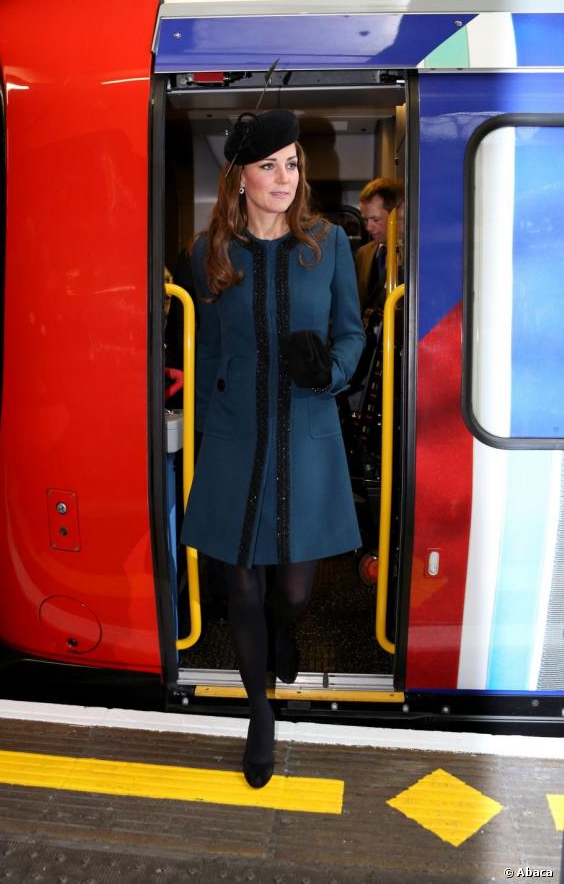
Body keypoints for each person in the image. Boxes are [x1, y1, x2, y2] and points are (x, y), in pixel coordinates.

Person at [180, 109, 365, 789]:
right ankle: (259, 711)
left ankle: (286, 633)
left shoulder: (328, 244)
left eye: (291, 163)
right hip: (235, 438)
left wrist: (334, 370)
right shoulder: (208, 254)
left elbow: (353, 332)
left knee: (293, 586)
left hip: (307, 434)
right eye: (269, 165)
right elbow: (205, 348)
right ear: (240, 178)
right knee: (241, 585)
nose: (285, 177)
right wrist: (202, 419)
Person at [355, 177, 404, 313]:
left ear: (396, 215)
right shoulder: (363, 254)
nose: (368, 227)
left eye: (375, 220)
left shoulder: (411, 255)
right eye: (365, 220)